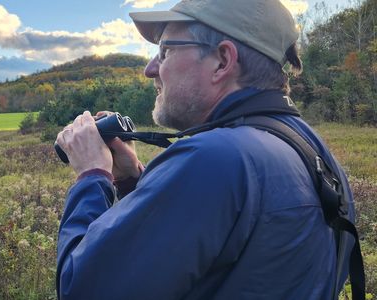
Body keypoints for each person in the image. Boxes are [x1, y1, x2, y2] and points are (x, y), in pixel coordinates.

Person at [56, 0, 355, 299]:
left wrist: (92, 175)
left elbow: (81, 288)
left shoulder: (215, 158)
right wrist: (131, 179)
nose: (150, 69)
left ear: (222, 61)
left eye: (165, 51)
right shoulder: (310, 149)